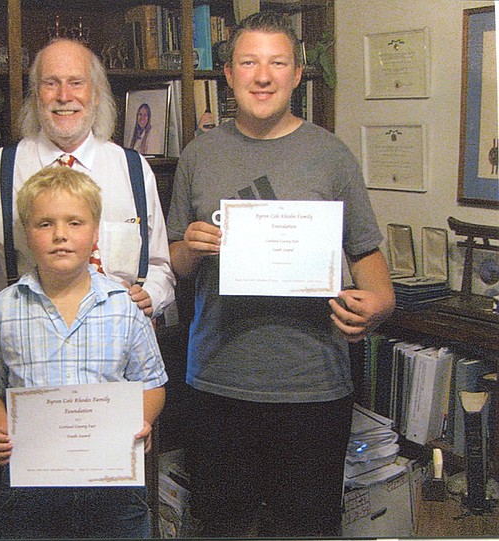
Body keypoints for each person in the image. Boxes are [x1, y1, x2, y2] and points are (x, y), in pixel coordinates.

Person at [166, 12, 395, 538]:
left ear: (296, 74)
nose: (262, 76)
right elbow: (176, 262)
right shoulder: (199, 156)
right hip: (219, 380)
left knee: (308, 529)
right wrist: (193, 247)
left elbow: (372, 269)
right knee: (223, 527)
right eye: (249, 62)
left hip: (313, 384)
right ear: (227, 73)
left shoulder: (331, 155)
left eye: (277, 62)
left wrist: (378, 305)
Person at [0, 166, 167, 539]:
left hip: (114, 485)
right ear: (26, 235)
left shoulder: (124, 306)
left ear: (95, 235)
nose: (60, 235)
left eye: (75, 223)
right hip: (30, 484)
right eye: (45, 224)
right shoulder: (0, 309)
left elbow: (153, 383)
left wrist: (139, 422)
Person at [0, 38, 175, 320]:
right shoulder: (0, 167)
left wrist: (151, 294)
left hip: (117, 348)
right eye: (51, 83)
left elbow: (160, 266)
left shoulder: (133, 168)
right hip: (26, 344)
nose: (64, 96)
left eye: (76, 83)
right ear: (36, 95)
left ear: (96, 94)